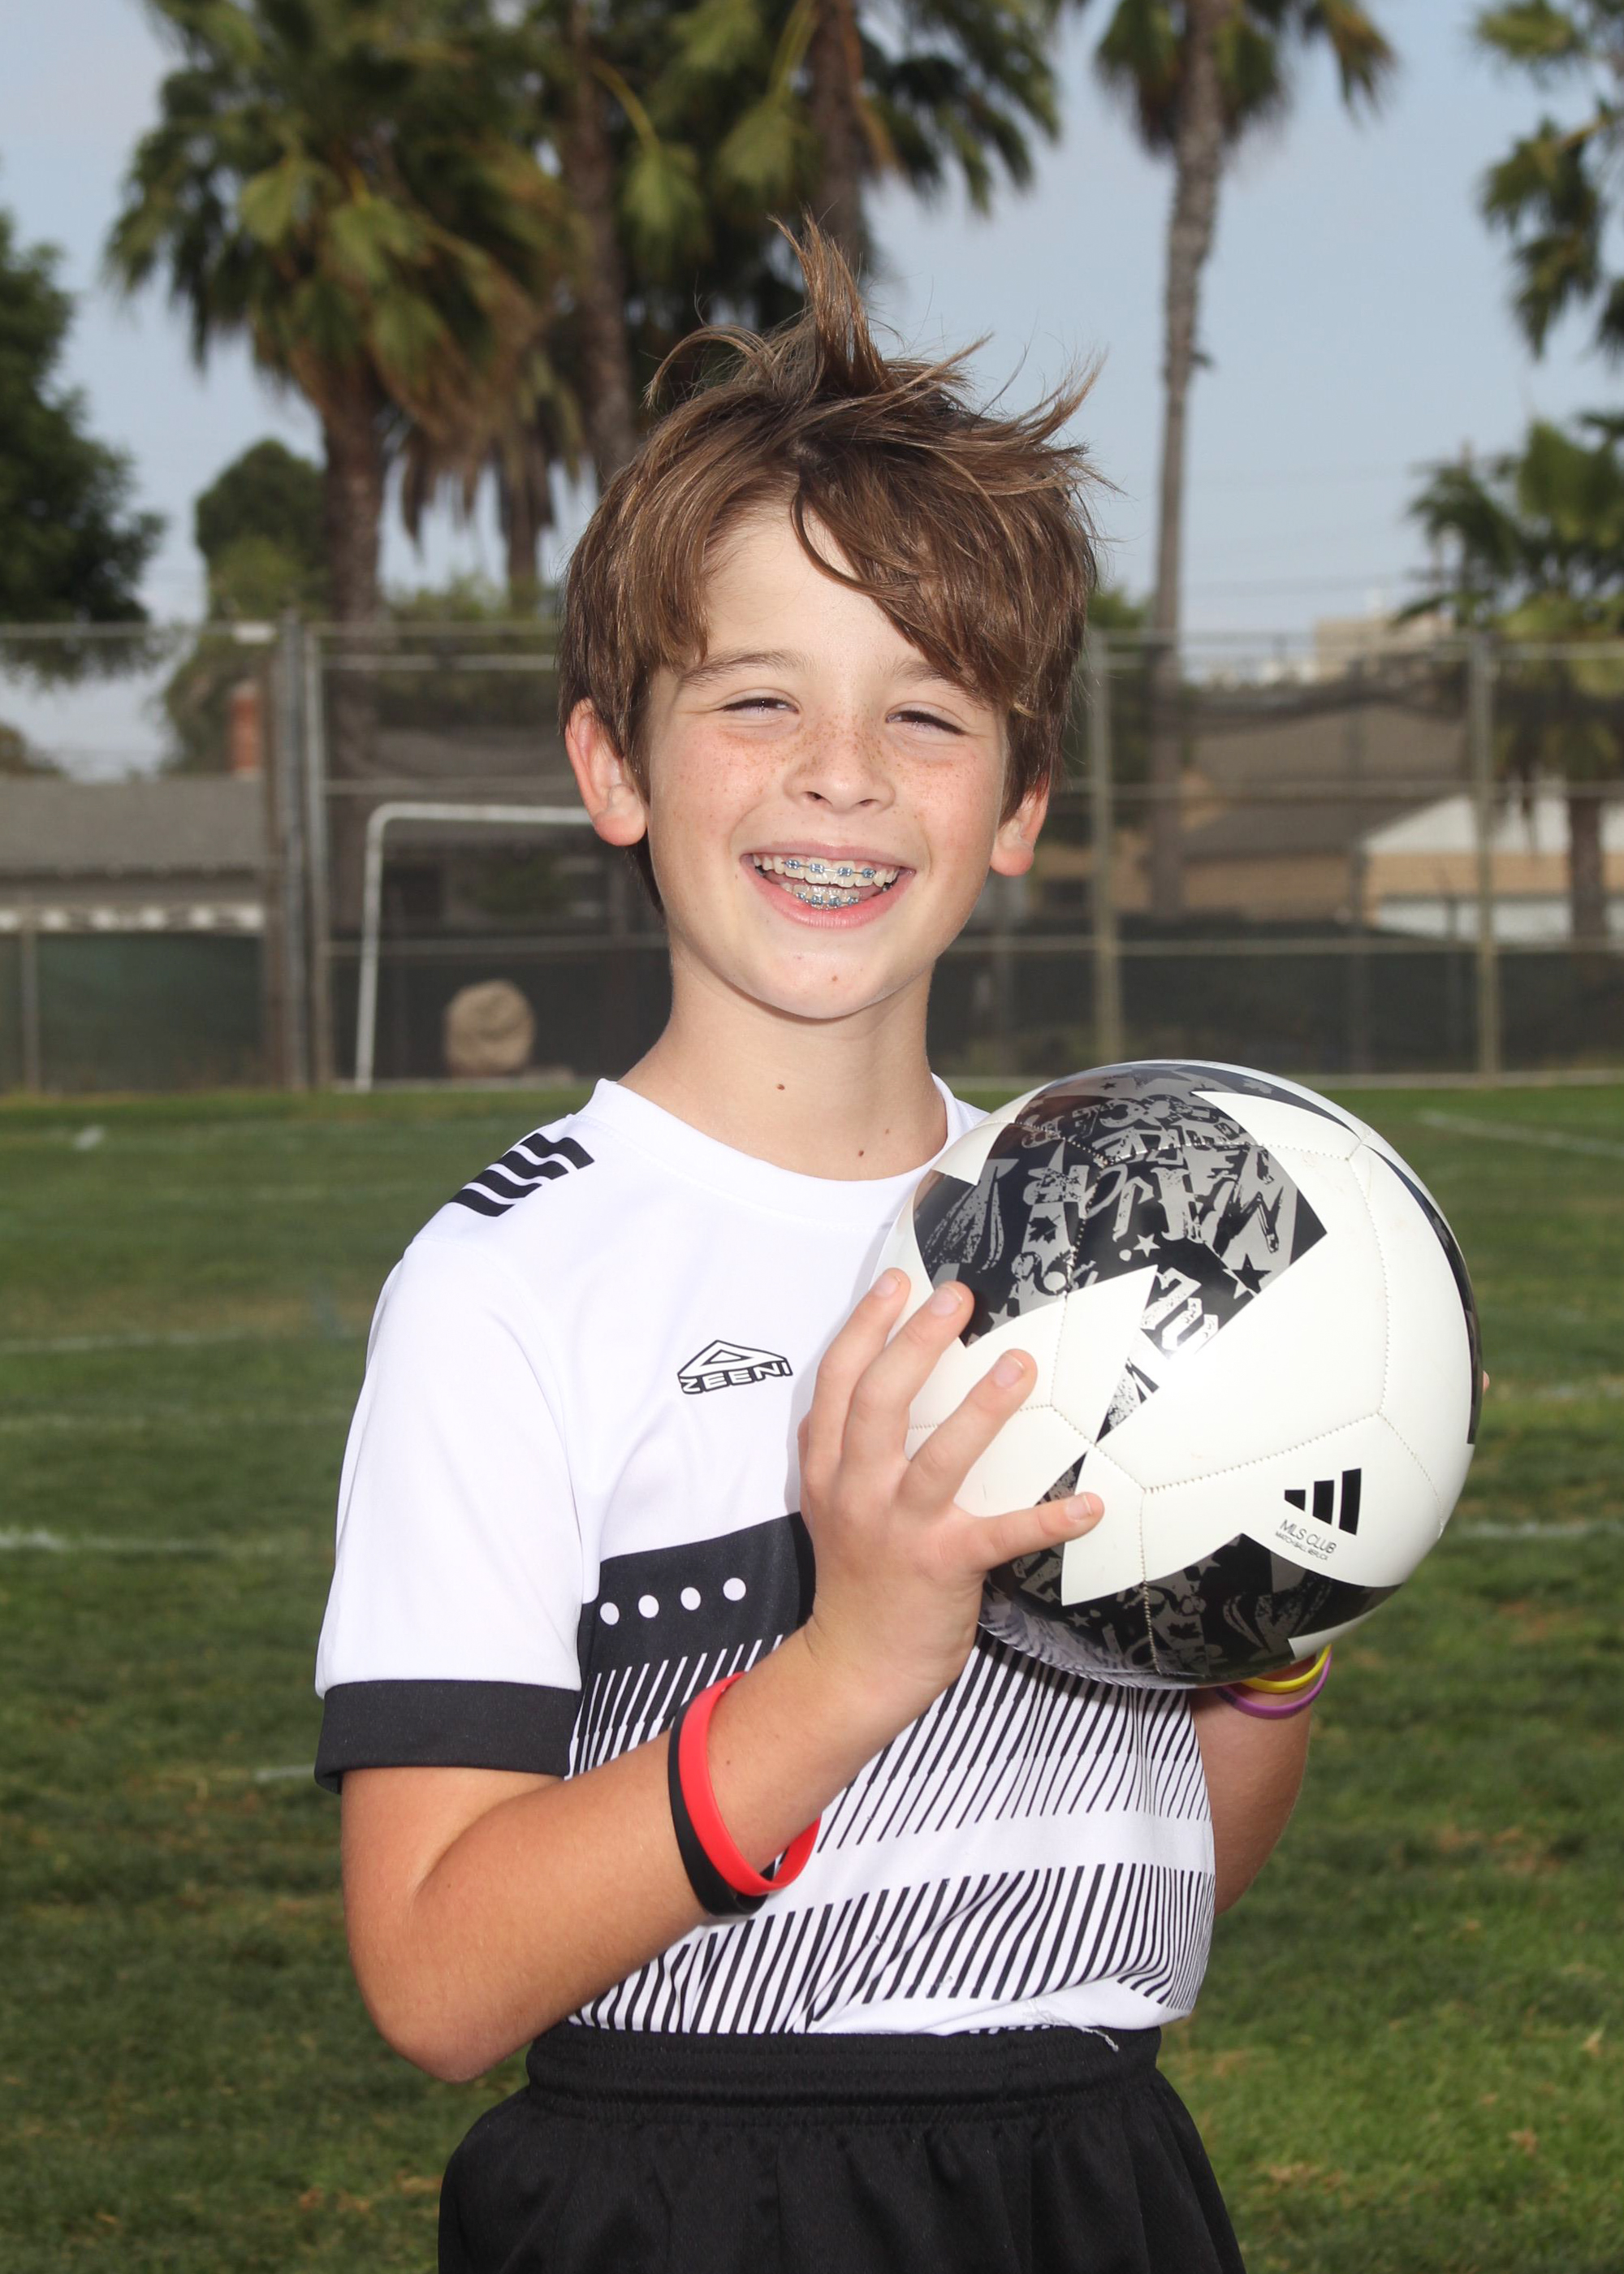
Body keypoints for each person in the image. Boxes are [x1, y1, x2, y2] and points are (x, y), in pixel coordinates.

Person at [313, 228, 1315, 2274]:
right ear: (614, 762)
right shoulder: (509, 1283)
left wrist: (1278, 1623)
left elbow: (1147, 1889)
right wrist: (847, 1666)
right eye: (757, 698)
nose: (841, 773)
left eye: (925, 714)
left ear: (1021, 798)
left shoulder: (1107, 1226)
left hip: (1092, 2172)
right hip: (693, 2190)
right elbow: (431, 1969)